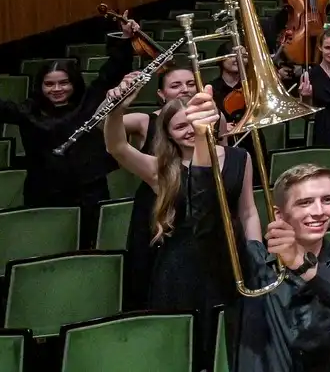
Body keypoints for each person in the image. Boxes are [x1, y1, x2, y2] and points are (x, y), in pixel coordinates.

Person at [185, 109, 330, 372]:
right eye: (305, 202)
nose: (319, 211)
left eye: (327, 200)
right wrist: (201, 142)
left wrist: (300, 262)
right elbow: (208, 226)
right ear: (279, 214)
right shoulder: (251, 262)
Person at [104, 80, 261, 358]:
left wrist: (257, 255)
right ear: (168, 134)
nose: (190, 131)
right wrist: (116, 110)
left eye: (194, 122)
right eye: (179, 126)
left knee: (230, 345)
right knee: (183, 349)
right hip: (180, 268)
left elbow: (247, 212)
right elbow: (117, 146)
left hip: (230, 259)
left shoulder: (240, 157)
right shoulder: (160, 168)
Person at [0, 32, 135, 230]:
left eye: (64, 83)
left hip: (89, 192)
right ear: (40, 86)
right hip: (45, 194)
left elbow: (111, 72)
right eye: (49, 84)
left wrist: (124, 38)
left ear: (74, 83)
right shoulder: (28, 111)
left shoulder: (89, 103)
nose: (57, 89)